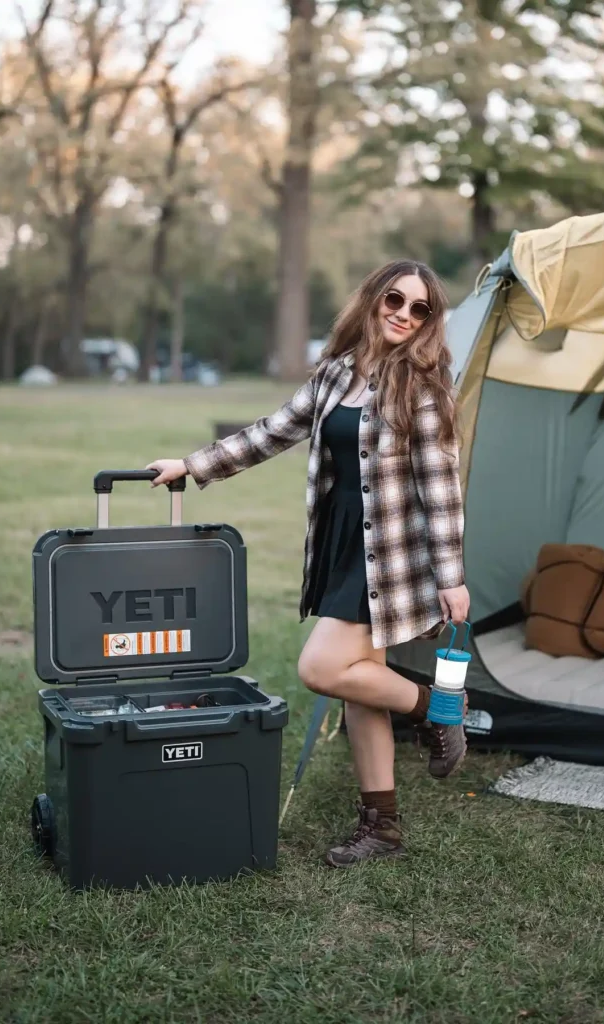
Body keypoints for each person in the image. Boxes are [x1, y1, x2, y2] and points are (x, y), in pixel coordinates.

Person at [147, 259, 470, 867]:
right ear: (374, 300)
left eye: (420, 308)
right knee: (361, 691)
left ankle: (439, 710)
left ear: (430, 320)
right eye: (394, 299)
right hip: (341, 542)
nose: (404, 314)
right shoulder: (335, 375)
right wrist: (193, 466)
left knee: (321, 667)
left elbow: (441, 482)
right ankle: (383, 828)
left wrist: (450, 574)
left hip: (389, 557)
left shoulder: (423, 385)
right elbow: (273, 431)